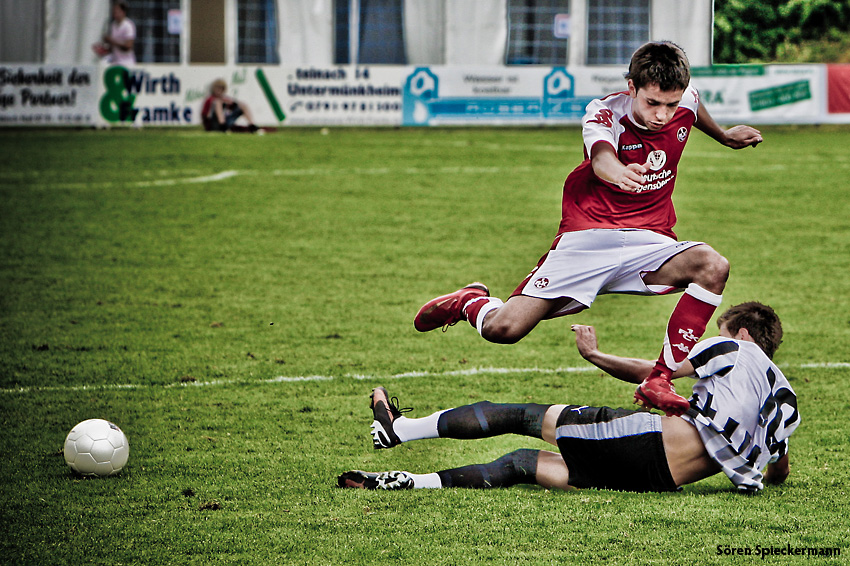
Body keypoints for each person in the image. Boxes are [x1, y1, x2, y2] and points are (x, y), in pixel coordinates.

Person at [412, 42, 764, 417]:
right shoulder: (603, 113)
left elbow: (693, 108)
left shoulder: (685, 100)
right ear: (632, 87)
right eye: (652, 103)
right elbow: (600, 159)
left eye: (670, 105)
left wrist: (724, 135)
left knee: (713, 265)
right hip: (589, 237)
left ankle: (658, 379)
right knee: (505, 329)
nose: (662, 115)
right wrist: (620, 172)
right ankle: (470, 301)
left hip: (650, 238)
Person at [340, 302, 799, 494]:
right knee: (520, 463)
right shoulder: (787, 400)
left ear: (741, 332)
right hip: (661, 479)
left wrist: (595, 354)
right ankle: (399, 482)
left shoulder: (737, 348)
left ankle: (397, 430)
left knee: (521, 415)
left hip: (646, 439)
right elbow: (778, 470)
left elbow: (659, 372)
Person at [92, 1, 136, 66]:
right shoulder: (113, 25)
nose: (114, 14)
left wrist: (111, 41)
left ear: (123, 12)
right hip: (115, 61)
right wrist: (104, 50)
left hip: (126, 62)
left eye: (117, 11)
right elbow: (113, 47)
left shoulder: (128, 25)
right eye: (114, 11)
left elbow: (128, 46)